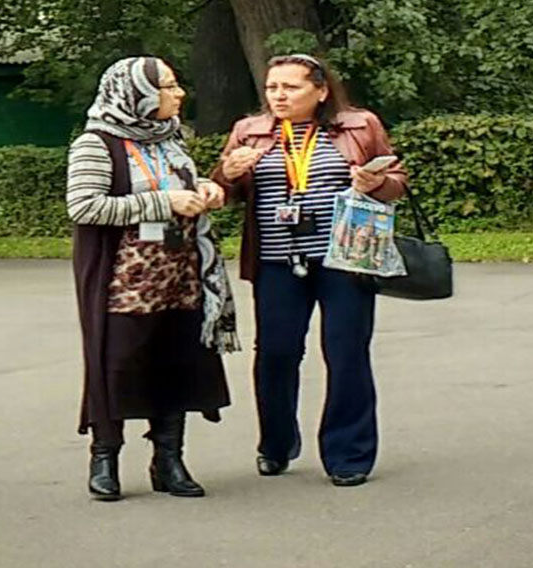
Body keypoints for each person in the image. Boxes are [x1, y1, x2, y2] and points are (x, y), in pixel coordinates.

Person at [211, 53, 407, 487]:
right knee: (276, 353)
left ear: (320, 91)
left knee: (346, 352)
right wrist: (227, 172)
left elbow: (397, 181)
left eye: (290, 87)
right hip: (277, 262)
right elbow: (223, 192)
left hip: (345, 259)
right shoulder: (249, 131)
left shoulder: (359, 125)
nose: (278, 96)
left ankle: (348, 454)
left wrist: (377, 183)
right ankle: (276, 444)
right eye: (272, 87)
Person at [68, 56, 240, 502]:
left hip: (179, 274)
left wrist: (205, 189)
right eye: (167, 86)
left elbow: (179, 184)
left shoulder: (170, 137)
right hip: (124, 282)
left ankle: (169, 460)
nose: (179, 94)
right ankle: (105, 457)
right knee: (118, 364)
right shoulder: (97, 143)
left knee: (175, 360)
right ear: (138, 94)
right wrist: (165, 202)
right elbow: (84, 206)